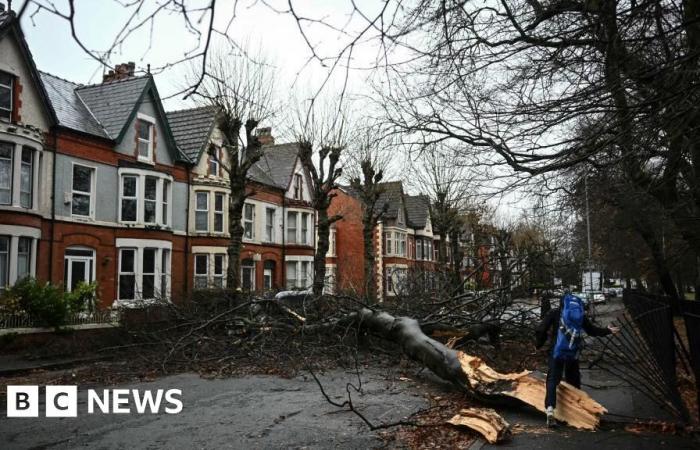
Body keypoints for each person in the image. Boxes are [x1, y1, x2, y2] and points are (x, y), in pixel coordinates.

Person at [535, 293, 619, 427]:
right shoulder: (579, 316)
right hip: (572, 352)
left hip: (556, 351)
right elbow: (592, 331)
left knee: (552, 379)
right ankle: (577, 410)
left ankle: (550, 410)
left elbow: (541, 329)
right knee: (573, 380)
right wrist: (607, 331)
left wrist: (539, 344)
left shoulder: (554, 313)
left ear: (561, 303)